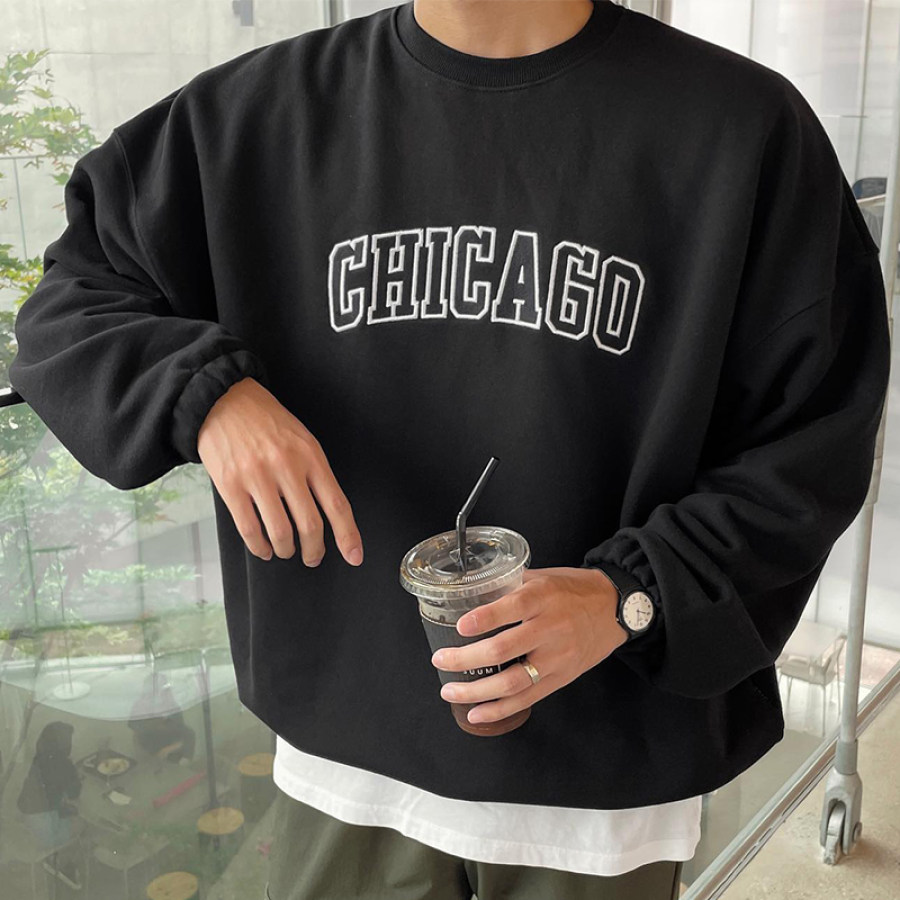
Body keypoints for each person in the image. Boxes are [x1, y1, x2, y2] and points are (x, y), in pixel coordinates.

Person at [8, 1, 891, 897]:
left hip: (600, 776)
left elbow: (813, 441)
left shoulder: (740, 129)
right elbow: (71, 302)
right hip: (344, 752)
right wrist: (209, 397)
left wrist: (629, 595)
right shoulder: (252, 116)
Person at [16, 721, 84, 890]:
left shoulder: (38, 759)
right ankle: (64, 864)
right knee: (82, 825)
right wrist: (75, 775)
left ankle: (57, 858)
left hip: (25, 821)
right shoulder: (65, 765)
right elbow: (74, 794)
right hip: (44, 834)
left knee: (68, 813)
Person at [127, 671, 197, 766]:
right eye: (152, 691)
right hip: (147, 753)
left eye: (164, 690)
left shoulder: (172, 707)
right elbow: (135, 733)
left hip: (172, 754)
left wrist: (167, 750)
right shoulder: (139, 707)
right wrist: (140, 756)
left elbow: (185, 736)